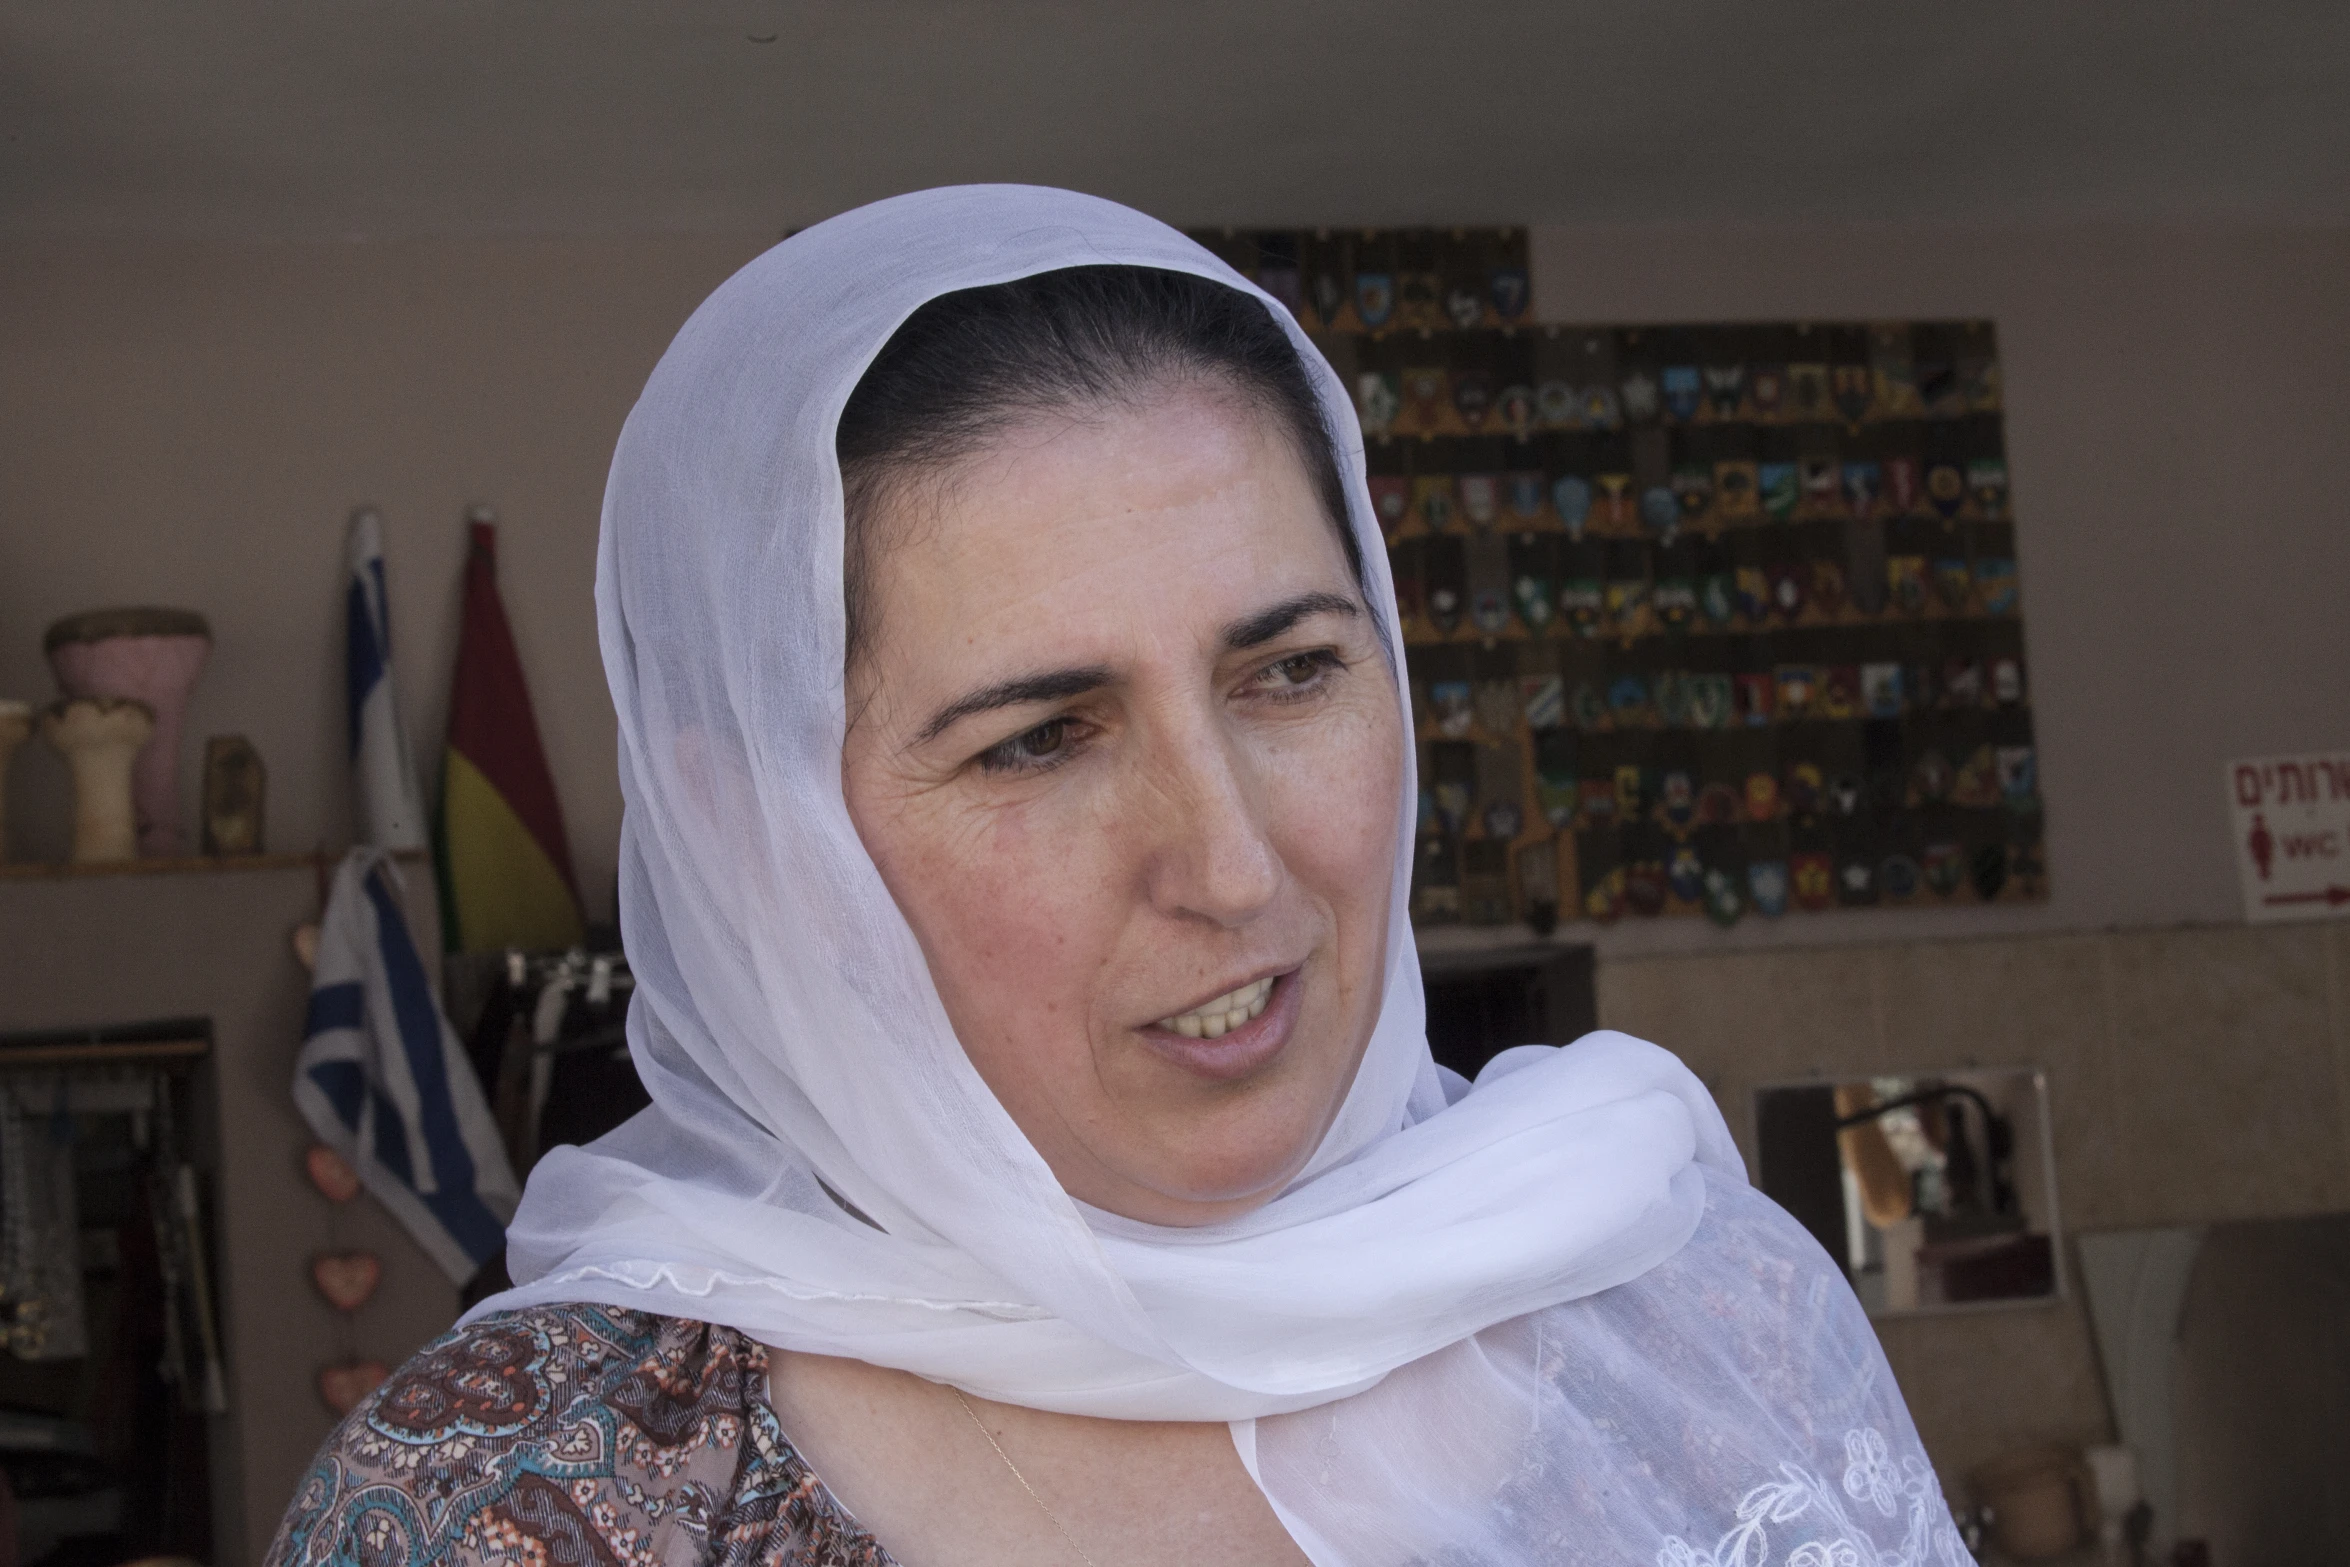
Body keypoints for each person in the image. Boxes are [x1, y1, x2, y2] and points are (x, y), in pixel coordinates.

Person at [267, 187, 1965, 1567]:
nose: (1231, 866)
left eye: (1289, 670)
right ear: (757, 842)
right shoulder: (509, 1505)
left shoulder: (1698, 1307)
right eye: (1035, 741)